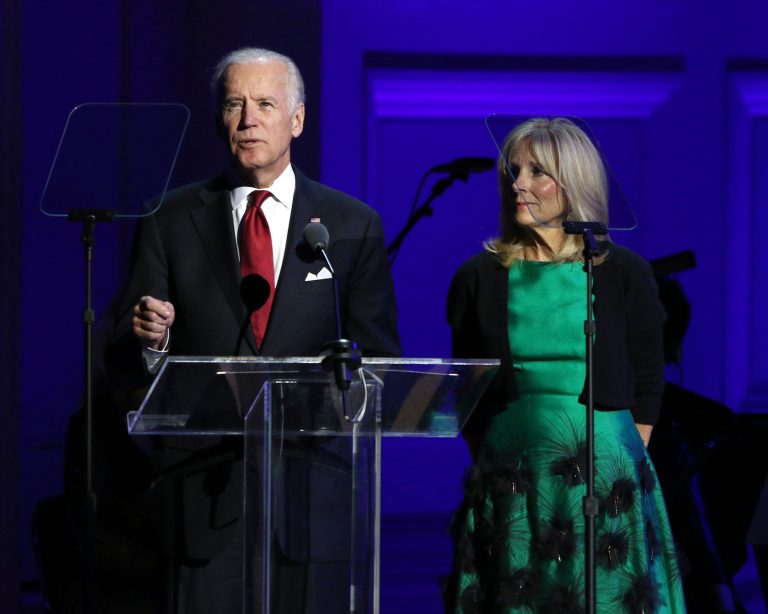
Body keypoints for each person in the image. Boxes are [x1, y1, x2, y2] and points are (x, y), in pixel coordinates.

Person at [106, 47, 400, 613]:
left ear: (297, 120)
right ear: (219, 118)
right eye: (235, 104)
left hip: (312, 498)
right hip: (203, 497)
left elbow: (382, 360)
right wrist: (153, 340)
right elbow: (120, 362)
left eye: (264, 103)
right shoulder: (168, 217)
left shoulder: (350, 223)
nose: (248, 120)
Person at [444, 117, 685, 612]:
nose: (520, 185)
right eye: (513, 171)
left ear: (573, 182)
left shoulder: (623, 272)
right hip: (512, 473)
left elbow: (646, 374)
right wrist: (496, 455)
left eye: (538, 172)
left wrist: (619, 460)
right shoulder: (478, 276)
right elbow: (468, 383)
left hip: (604, 473)